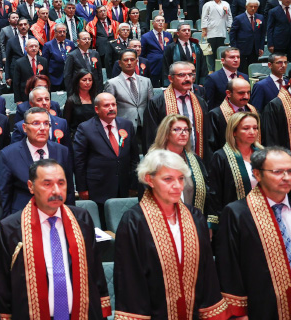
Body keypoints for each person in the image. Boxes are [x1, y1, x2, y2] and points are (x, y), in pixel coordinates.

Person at [216, 147, 291, 319]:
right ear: (257, 174)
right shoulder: (237, 213)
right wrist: (238, 313)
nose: (286, 177)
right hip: (263, 306)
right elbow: (229, 268)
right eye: (277, 172)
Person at [113, 149, 229, 319]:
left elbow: (207, 272)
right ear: (149, 179)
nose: (177, 186)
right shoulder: (133, 221)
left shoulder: (195, 217)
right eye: (168, 179)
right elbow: (130, 280)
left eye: (180, 178)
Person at [0, 159, 111, 320]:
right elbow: (2, 284)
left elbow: (95, 269)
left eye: (61, 183)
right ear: (30, 186)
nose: (56, 191)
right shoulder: (10, 227)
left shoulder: (81, 219)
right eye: (47, 184)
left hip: (80, 313)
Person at [73, 93, 139, 224]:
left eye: (114, 104)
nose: (111, 108)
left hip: (124, 186)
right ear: (96, 109)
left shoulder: (126, 125)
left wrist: (134, 183)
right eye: (106, 105)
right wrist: (82, 188)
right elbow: (79, 161)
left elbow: (134, 157)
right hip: (98, 188)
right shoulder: (85, 128)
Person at [0, 107, 74, 216]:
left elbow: (69, 191)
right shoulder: (9, 154)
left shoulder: (62, 151)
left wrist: (69, 218)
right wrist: (7, 224)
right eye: (36, 123)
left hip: (57, 215)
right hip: (23, 217)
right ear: (24, 128)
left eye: (46, 123)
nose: (42, 128)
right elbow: (4, 195)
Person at [145, 61, 211, 157]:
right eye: (182, 75)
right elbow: (150, 137)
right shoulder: (157, 103)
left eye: (190, 75)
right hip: (167, 159)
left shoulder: (200, 102)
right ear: (170, 78)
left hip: (196, 157)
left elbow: (207, 135)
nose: (188, 79)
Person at [207, 112, 263, 211]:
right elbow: (215, 193)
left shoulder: (264, 154)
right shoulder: (221, 156)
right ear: (234, 132)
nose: (252, 132)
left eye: (255, 128)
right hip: (236, 214)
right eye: (246, 128)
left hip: (263, 210)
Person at [208, 77, 258, 152]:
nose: (246, 97)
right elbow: (212, 146)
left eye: (248, 93)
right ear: (228, 93)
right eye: (241, 93)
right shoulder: (216, 115)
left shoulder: (253, 111)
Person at [229, 0, 266, 73]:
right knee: (242, 69)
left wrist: (261, 47)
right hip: (242, 47)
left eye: (255, 7)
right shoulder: (239, 18)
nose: (253, 8)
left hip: (255, 48)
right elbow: (232, 33)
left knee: (253, 69)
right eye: (251, 6)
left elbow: (262, 33)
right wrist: (234, 48)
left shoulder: (260, 17)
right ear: (246, 7)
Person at [141, 15, 174, 87]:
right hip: (153, 67)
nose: (161, 22)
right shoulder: (146, 36)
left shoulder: (168, 35)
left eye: (162, 21)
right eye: (158, 21)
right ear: (152, 23)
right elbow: (142, 54)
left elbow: (171, 51)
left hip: (166, 67)